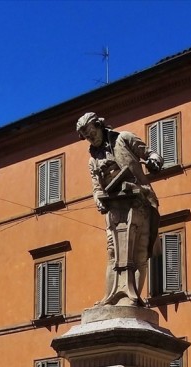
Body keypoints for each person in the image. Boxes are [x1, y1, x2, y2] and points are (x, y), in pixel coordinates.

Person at [76, 112, 163, 307]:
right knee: (113, 252)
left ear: (100, 126)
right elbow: (97, 187)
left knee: (139, 253)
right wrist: (98, 199)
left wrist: (155, 160)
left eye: (92, 133)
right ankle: (110, 298)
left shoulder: (124, 138)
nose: (91, 138)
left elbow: (150, 153)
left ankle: (132, 298)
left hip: (140, 200)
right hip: (114, 208)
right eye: (87, 137)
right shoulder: (93, 161)